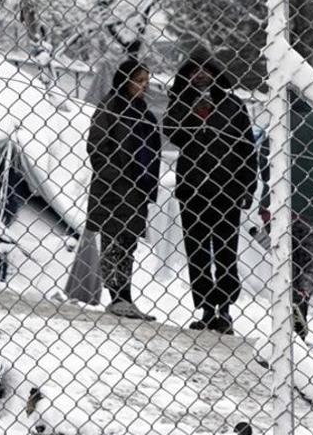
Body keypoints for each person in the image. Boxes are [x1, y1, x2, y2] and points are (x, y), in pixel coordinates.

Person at [165, 53, 258, 335]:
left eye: (206, 71)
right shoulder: (180, 103)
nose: (201, 76)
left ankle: (225, 310)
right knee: (198, 253)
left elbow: (247, 149)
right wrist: (192, 110)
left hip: (226, 190)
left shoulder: (233, 106)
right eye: (194, 72)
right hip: (193, 190)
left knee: (226, 252)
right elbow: (173, 133)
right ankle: (206, 308)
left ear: (217, 74)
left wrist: (247, 186)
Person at [258, 90, 313, 340]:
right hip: (311, 207)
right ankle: (300, 304)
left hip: (274, 205)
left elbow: (263, 162)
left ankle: (283, 318)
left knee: (284, 261)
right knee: (309, 262)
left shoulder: (275, 123)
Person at [85, 58, 161, 321]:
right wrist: (116, 177)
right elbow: (97, 146)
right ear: (124, 80)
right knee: (113, 241)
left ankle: (124, 296)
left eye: (146, 82)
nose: (143, 86)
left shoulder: (144, 113)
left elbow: (152, 152)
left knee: (128, 244)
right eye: (139, 80)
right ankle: (116, 296)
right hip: (114, 188)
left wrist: (147, 184)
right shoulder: (111, 107)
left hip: (136, 190)